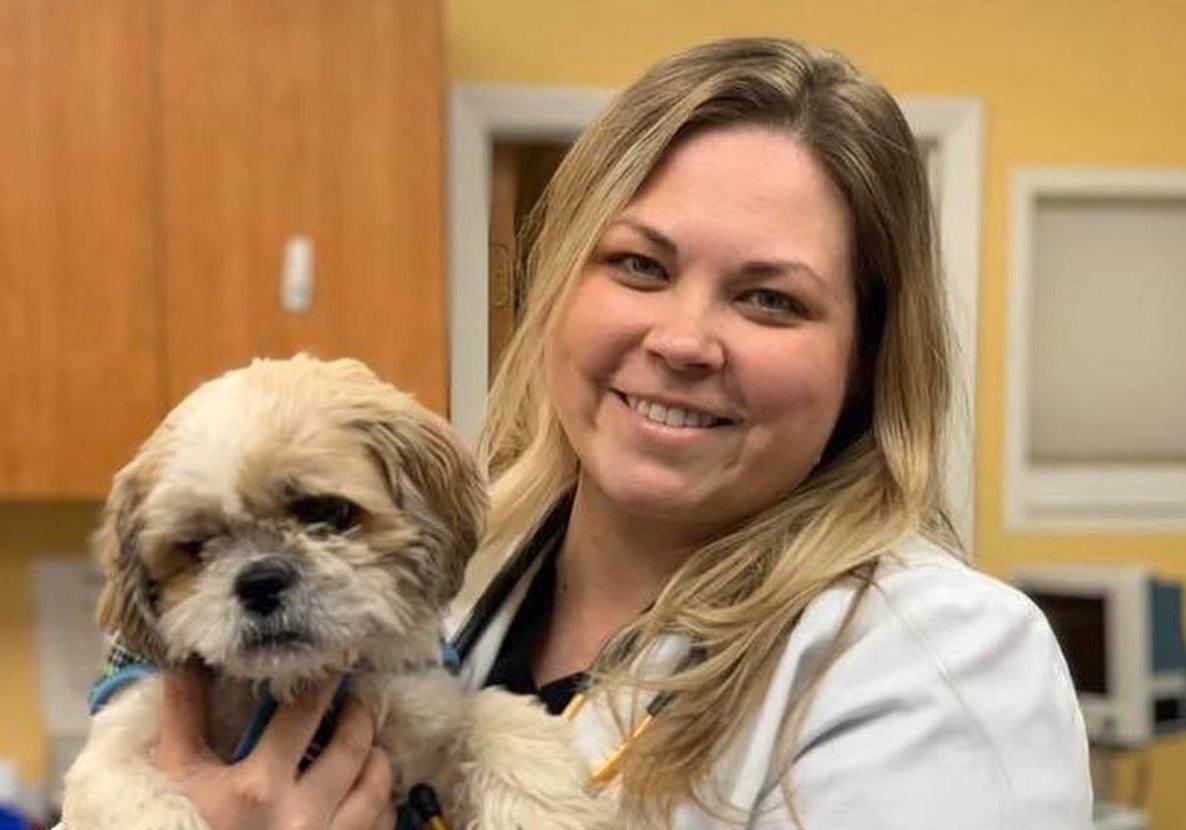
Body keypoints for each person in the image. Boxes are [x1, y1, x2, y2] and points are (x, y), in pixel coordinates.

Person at [120, 36, 1092, 830]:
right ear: (555, 290)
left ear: (865, 359)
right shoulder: (443, 570)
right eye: (637, 264)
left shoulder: (935, 664)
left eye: (769, 298)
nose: (680, 339)